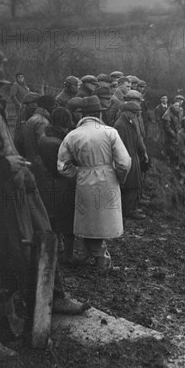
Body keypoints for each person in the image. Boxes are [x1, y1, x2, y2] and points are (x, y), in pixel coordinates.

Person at [0, 39, 86, 361]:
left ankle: (47, 299)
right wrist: (5, 165)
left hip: (13, 186)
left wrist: (14, 167)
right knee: (5, 260)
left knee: (39, 237)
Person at [58, 95, 132, 269]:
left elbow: (62, 165)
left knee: (88, 220)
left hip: (84, 179)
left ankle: (85, 254)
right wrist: (119, 178)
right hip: (107, 179)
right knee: (102, 221)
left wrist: (77, 173)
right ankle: (101, 257)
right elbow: (124, 162)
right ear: (99, 113)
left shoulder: (72, 135)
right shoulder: (110, 132)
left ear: (83, 114)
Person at [38, 107, 77, 264]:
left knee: (52, 218)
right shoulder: (59, 142)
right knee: (68, 221)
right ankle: (68, 256)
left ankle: (55, 248)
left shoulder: (43, 137)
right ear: (65, 122)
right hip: (62, 184)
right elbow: (64, 166)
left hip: (47, 182)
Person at [114, 102, 146, 220]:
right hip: (127, 157)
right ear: (126, 111)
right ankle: (128, 210)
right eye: (133, 113)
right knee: (129, 185)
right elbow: (119, 144)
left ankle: (131, 208)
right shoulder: (120, 125)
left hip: (133, 156)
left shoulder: (129, 122)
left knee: (134, 184)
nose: (135, 115)